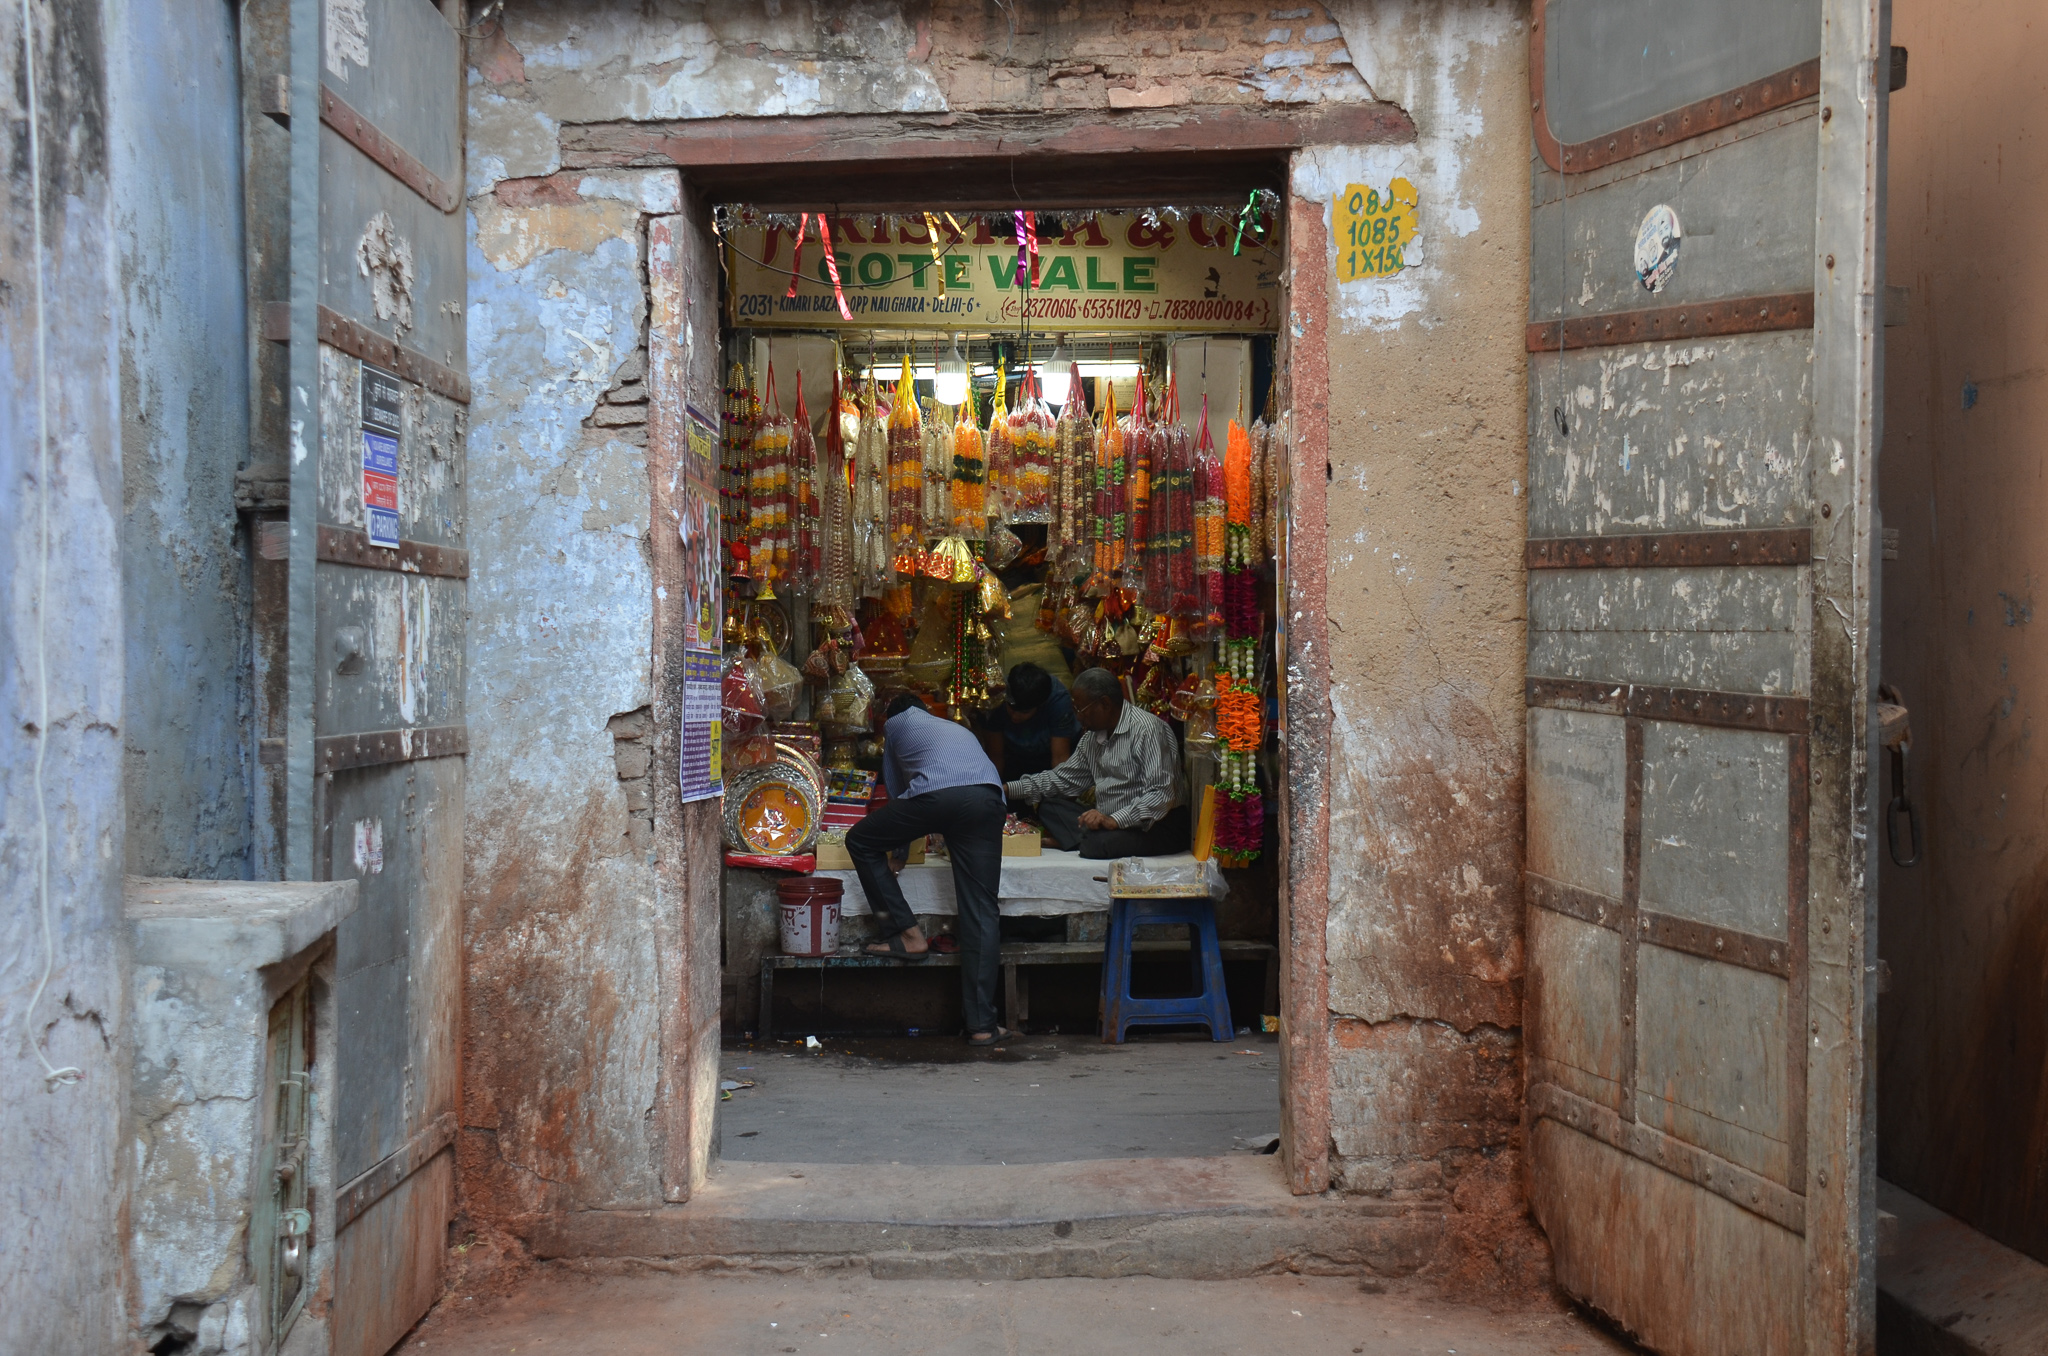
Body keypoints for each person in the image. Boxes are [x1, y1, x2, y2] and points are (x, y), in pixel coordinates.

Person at [845, 692, 1015, 1046]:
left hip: (940, 796)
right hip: (987, 798)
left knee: (860, 841)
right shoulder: (951, 727)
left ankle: (908, 935)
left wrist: (900, 854)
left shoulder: (896, 724)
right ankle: (982, 1025)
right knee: (982, 910)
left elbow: (899, 791)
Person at [1005, 667, 1188, 859]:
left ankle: (1080, 839)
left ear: (1105, 704)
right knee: (1049, 806)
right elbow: (1061, 779)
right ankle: (1084, 838)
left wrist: (1115, 820)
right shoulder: (1091, 738)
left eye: (1080, 709)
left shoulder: (1147, 730)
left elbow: (1161, 794)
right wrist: (1009, 788)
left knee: (1096, 845)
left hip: (1154, 826)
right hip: (1107, 822)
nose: (1077, 717)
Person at [976, 662, 1079, 779]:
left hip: (1048, 758)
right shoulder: (996, 698)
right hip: (1014, 759)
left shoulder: (1058, 701)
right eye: (1011, 709)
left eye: (1024, 712)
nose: (1015, 716)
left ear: (1040, 705)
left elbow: (1060, 758)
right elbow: (995, 756)